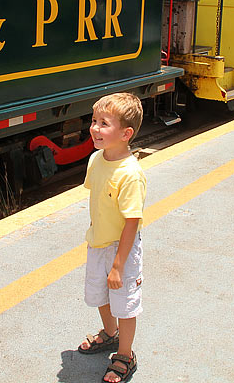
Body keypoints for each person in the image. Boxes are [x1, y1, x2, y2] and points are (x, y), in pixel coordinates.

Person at [77, 93, 146, 383]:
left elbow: (132, 222)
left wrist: (118, 265)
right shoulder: (96, 159)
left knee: (125, 302)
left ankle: (125, 354)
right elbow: (96, 200)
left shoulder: (130, 174)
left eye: (104, 123)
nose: (94, 128)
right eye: (94, 121)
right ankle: (109, 333)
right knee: (100, 295)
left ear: (125, 134)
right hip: (98, 243)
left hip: (122, 249)